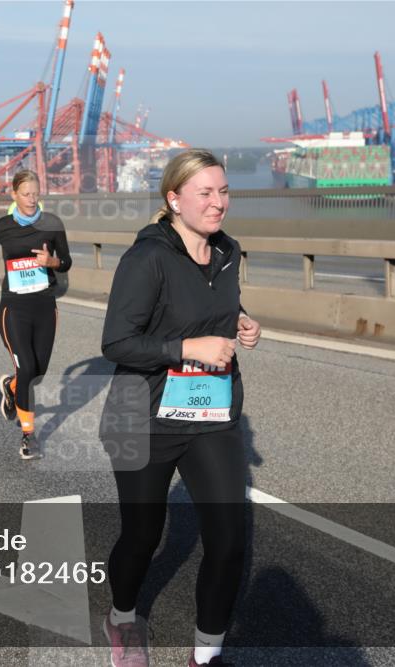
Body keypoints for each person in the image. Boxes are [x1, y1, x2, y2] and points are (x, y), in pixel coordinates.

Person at [99, 149, 261, 667]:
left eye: (224, 191)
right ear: (174, 200)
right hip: (141, 414)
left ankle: (206, 655)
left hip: (209, 414)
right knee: (143, 535)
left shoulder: (227, 252)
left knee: (229, 539)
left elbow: (210, 304)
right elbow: (117, 343)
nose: (220, 203)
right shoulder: (146, 258)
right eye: (206, 193)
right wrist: (189, 348)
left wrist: (239, 321)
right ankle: (123, 618)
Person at [0, 170, 71, 460]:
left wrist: (52, 261)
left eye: (35, 193)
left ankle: (10, 386)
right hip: (14, 308)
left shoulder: (52, 224)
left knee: (36, 373)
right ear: (14, 195)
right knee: (27, 367)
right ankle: (29, 436)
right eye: (25, 194)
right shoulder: (3, 226)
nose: (31, 199)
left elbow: (66, 261)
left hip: (44, 307)